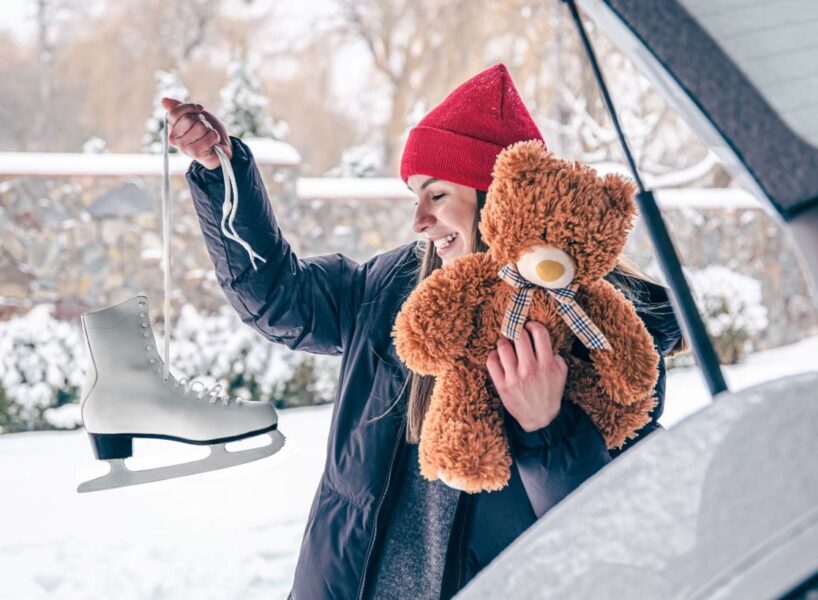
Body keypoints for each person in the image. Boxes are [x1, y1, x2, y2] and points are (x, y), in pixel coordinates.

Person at [163, 63, 683, 600]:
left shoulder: (596, 324)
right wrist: (223, 176)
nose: (419, 220)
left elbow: (609, 536)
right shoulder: (392, 285)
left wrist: (547, 428)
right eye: (415, 197)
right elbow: (278, 300)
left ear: (496, 194)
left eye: (436, 195)